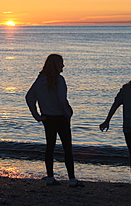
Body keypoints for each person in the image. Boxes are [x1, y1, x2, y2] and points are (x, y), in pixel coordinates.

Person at [26, 54, 84, 187]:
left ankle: (50, 178)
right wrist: (68, 113)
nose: (63, 66)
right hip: (60, 118)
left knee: (50, 147)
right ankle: (72, 180)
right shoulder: (59, 80)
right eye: (62, 63)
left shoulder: (40, 80)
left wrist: (37, 116)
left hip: (47, 118)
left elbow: (29, 97)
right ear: (57, 65)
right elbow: (62, 100)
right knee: (67, 148)